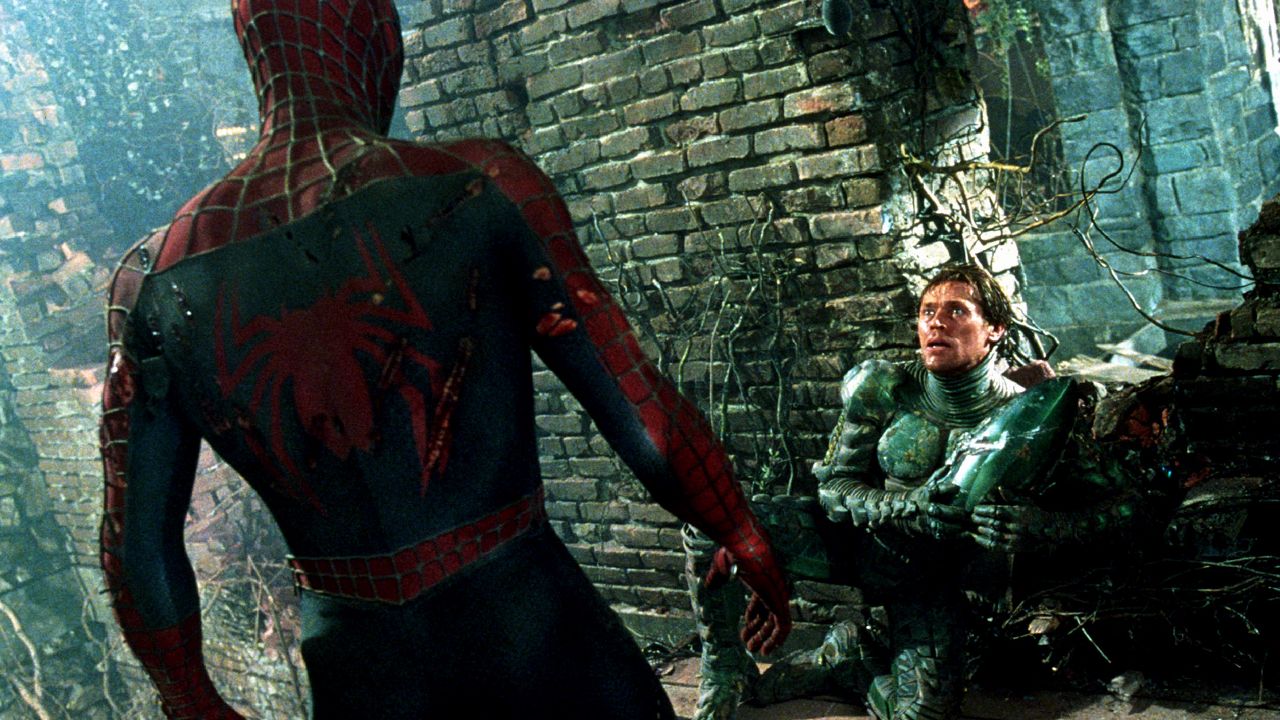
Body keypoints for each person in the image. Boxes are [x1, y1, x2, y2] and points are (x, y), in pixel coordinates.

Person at [97, 1, 790, 717]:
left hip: (361, 669)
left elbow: (135, 549)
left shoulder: (152, 282)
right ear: (367, 33)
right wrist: (737, 527)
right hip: (535, 629)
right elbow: (639, 410)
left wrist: (192, 700)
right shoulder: (477, 181)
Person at [684, 263, 1142, 720]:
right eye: (927, 312)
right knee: (711, 524)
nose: (936, 323)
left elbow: (1128, 507)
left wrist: (1043, 525)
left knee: (923, 716)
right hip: (861, 545)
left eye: (956, 311)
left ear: (995, 329)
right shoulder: (882, 386)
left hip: (932, 581)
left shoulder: (1029, 418)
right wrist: (908, 504)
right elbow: (834, 488)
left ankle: (854, 660)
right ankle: (724, 666)